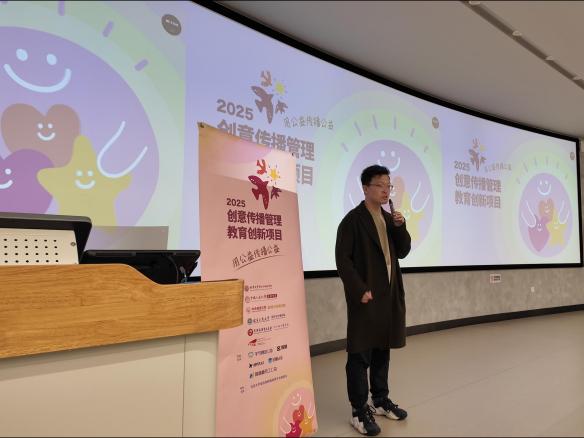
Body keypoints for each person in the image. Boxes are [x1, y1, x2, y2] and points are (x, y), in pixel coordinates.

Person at [335, 164, 412, 436]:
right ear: (365, 188)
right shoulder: (353, 220)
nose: (385, 190)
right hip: (366, 297)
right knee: (360, 353)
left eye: (388, 186)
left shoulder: (390, 219)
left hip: (387, 296)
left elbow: (403, 251)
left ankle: (380, 399)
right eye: (380, 185)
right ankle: (358, 410)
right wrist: (359, 289)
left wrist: (400, 227)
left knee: (382, 348)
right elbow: (343, 260)